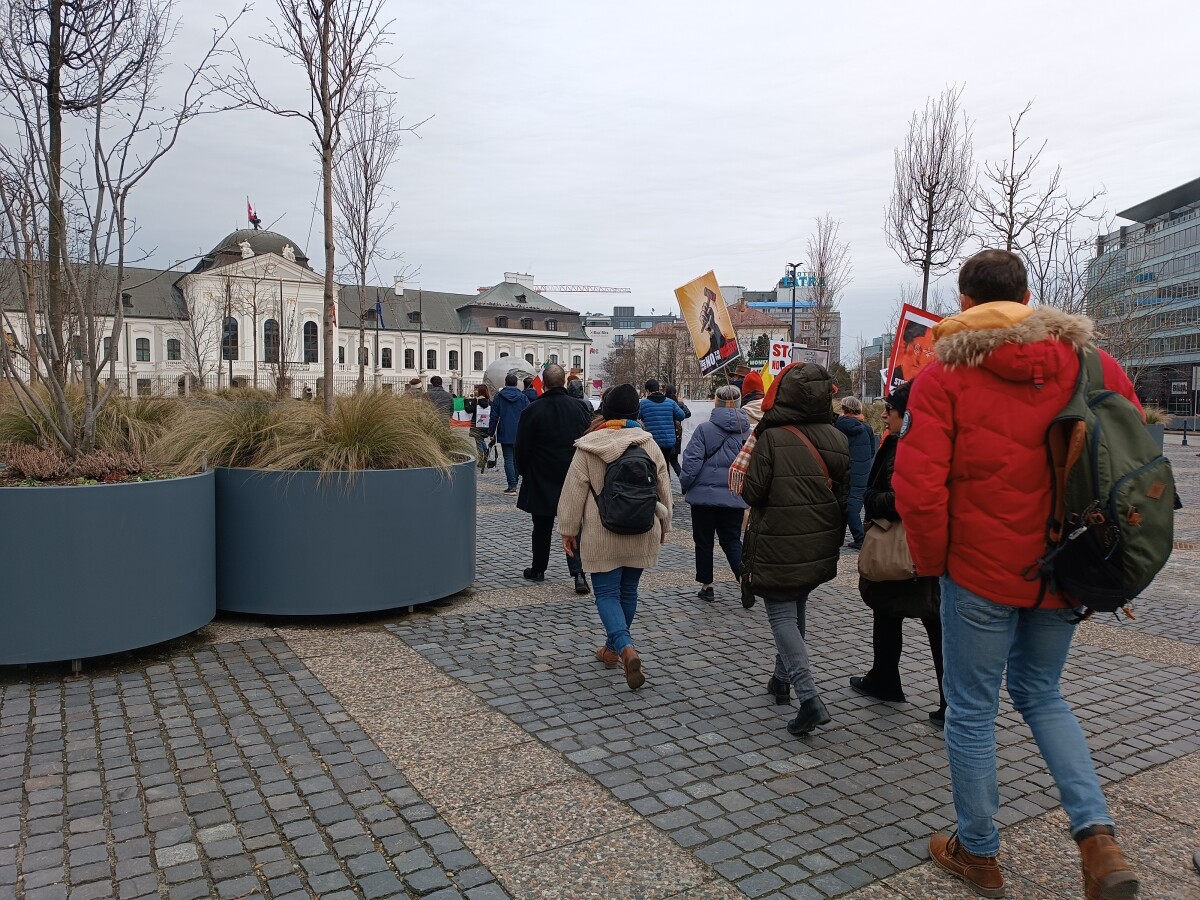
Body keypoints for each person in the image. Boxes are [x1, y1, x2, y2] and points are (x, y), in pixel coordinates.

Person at [894, 249, 1141, 900]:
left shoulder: (945, 374)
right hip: (1067, 566)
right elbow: (1132, 463)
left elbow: (918, 489)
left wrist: (934, 561)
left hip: (978, 569)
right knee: (1040, 691)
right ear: (1028, 297)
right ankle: (1097, 838)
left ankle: (978, 851)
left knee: (972, 710)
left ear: (968, 303)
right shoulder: (1094, 364)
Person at [739, 362, 849, 737]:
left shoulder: (771, 436)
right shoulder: (837, 436)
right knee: (796, 602)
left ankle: (809, 699)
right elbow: (846, 495)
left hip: (778, 538)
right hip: (818, 540)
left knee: (782, 616)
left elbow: (752, 492)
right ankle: (780, 679)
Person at [558, 384, 672, 690]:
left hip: (600, 530)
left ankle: (624, 648)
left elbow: (572, 493)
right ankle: (611, 650)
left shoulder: (588, 446)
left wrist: (568, 531)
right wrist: (666, 525)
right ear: (636, 412)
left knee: (607, 594)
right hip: (642, 528)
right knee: (629, 592)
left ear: (604, 411)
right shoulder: (649, 445)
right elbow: (665, 489)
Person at [849, 381, 945, 725]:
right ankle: (885, 678)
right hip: (922, 547)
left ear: (907, 414)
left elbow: (907, 497)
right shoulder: (907, 441)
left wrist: (874, 500)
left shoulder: (910, 445)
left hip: (910, 548)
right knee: (891, 611)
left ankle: (947, 702)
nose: (884, 414)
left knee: (932, 620)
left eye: (889, 409)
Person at [515, 364, 595, 592]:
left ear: (546, 384)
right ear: (563, 383)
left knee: (541, 526)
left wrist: (525, 471)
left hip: (541, 475)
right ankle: (579, 574)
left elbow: (522, 448)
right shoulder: (580, 408)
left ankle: (538, 568)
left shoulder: (532, 410)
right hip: (574, 473)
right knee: (574, 526)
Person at [679, 384, 749, 602]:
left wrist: (685, 485)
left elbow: (691, 463)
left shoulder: (704, 429)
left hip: (703, 497)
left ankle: (707, 585)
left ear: (716, 402)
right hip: (734, 494)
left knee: (703, 541)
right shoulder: (748, 432)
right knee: (732, 540)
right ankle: (745, 580)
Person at [835, 396, 878, 550]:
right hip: (863, 470)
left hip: (845, 470)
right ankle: (859, 537)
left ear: (844, 408)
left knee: (847, 506)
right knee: (854, 503)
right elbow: (872, 451)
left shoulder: (838, 426)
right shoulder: (867, 428)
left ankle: (859, 538)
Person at [488, 373, 530, 494]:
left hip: (505, 430)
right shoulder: (522, 397)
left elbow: (494, 416)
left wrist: (491, 432)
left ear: (505, 383)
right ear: (517, 383)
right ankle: (515, 481)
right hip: (520, 432)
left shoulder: (499, 397)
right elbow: (528, 415)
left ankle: (512, 485)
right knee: (516, 458)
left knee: (508, 459)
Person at [638, 379, 688, 475]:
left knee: (653, 468)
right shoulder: (670, 403)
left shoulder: (643, 404)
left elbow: (637, 418)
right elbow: (681, 416)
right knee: (665, 467)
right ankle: (667, 486)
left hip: (652, 442)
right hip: (668, 441)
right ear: (659, 389)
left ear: (647, 391)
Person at [664, 384, 690, 476]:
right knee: (674, 461)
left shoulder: (663, 403)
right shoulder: (679, 404)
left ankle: (667, 483)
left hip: (665, 433)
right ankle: (683, 482)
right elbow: (688, 414)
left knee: (664, 463)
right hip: (677, 433)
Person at [469, 384, 493, 472]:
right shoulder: (489, 402)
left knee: (478, 442)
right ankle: (486, 452)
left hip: (477, 424)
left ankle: (481, 460)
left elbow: (469, 410)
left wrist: (466, 402)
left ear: (479, 391)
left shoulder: (476, 401)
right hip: (486, 424)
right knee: (481, 440)